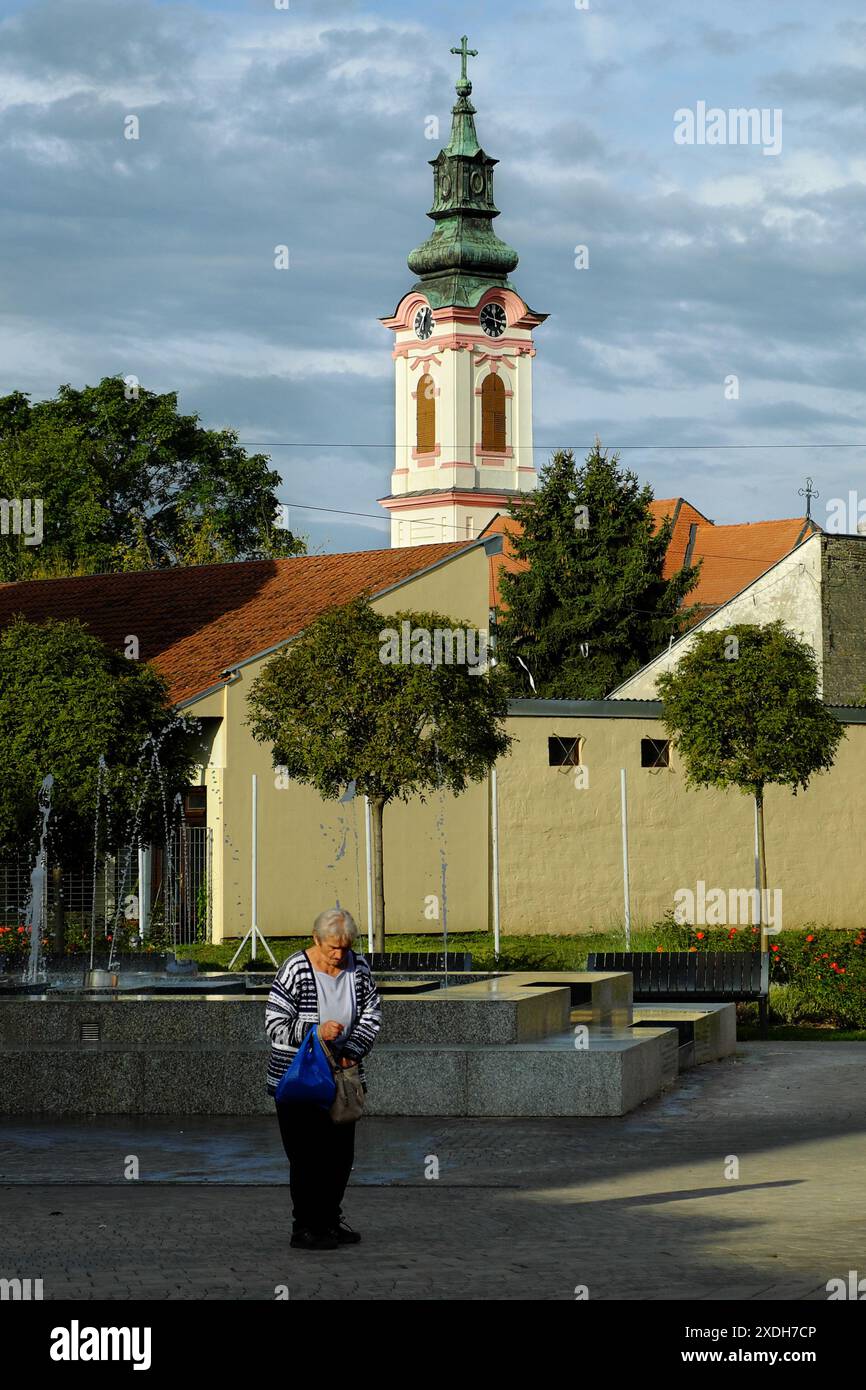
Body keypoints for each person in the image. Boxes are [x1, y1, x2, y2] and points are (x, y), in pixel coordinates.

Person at [265, 907, 382, 1250]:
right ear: (316, 939)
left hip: (343, 1078)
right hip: (300, 1080)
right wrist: (314, 1032)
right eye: (333, 947)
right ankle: (305, 1226)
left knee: (339, 1155)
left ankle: (330, 1220)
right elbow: (274, 1024)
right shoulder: (296, 968)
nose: (339, 954)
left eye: (345, 947)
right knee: (306, 1156)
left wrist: (354, 1049)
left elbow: (372, 1013)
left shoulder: (358, 968)